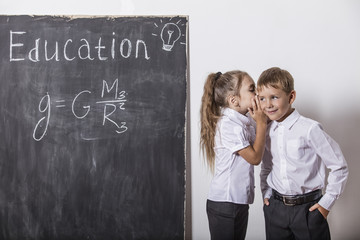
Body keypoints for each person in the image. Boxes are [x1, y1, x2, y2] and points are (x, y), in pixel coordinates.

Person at [257, 67, 349, 240]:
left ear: (291, 97)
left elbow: (339, 166)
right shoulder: (267, 131)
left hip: (308, 209)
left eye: (274, 97)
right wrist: (266, 194)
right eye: (262, 98)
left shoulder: (310, 129)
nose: (267, 104)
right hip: (275, 209)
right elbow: (266, 167)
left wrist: (325, 205)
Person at [200, 70, 268, 240]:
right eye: (252, 89)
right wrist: (261, 123)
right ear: (234, 100)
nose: (257, 94)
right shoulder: (229, 125)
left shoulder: (244, 122)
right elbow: (255, 158)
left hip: (237, 202)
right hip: (225, 203)